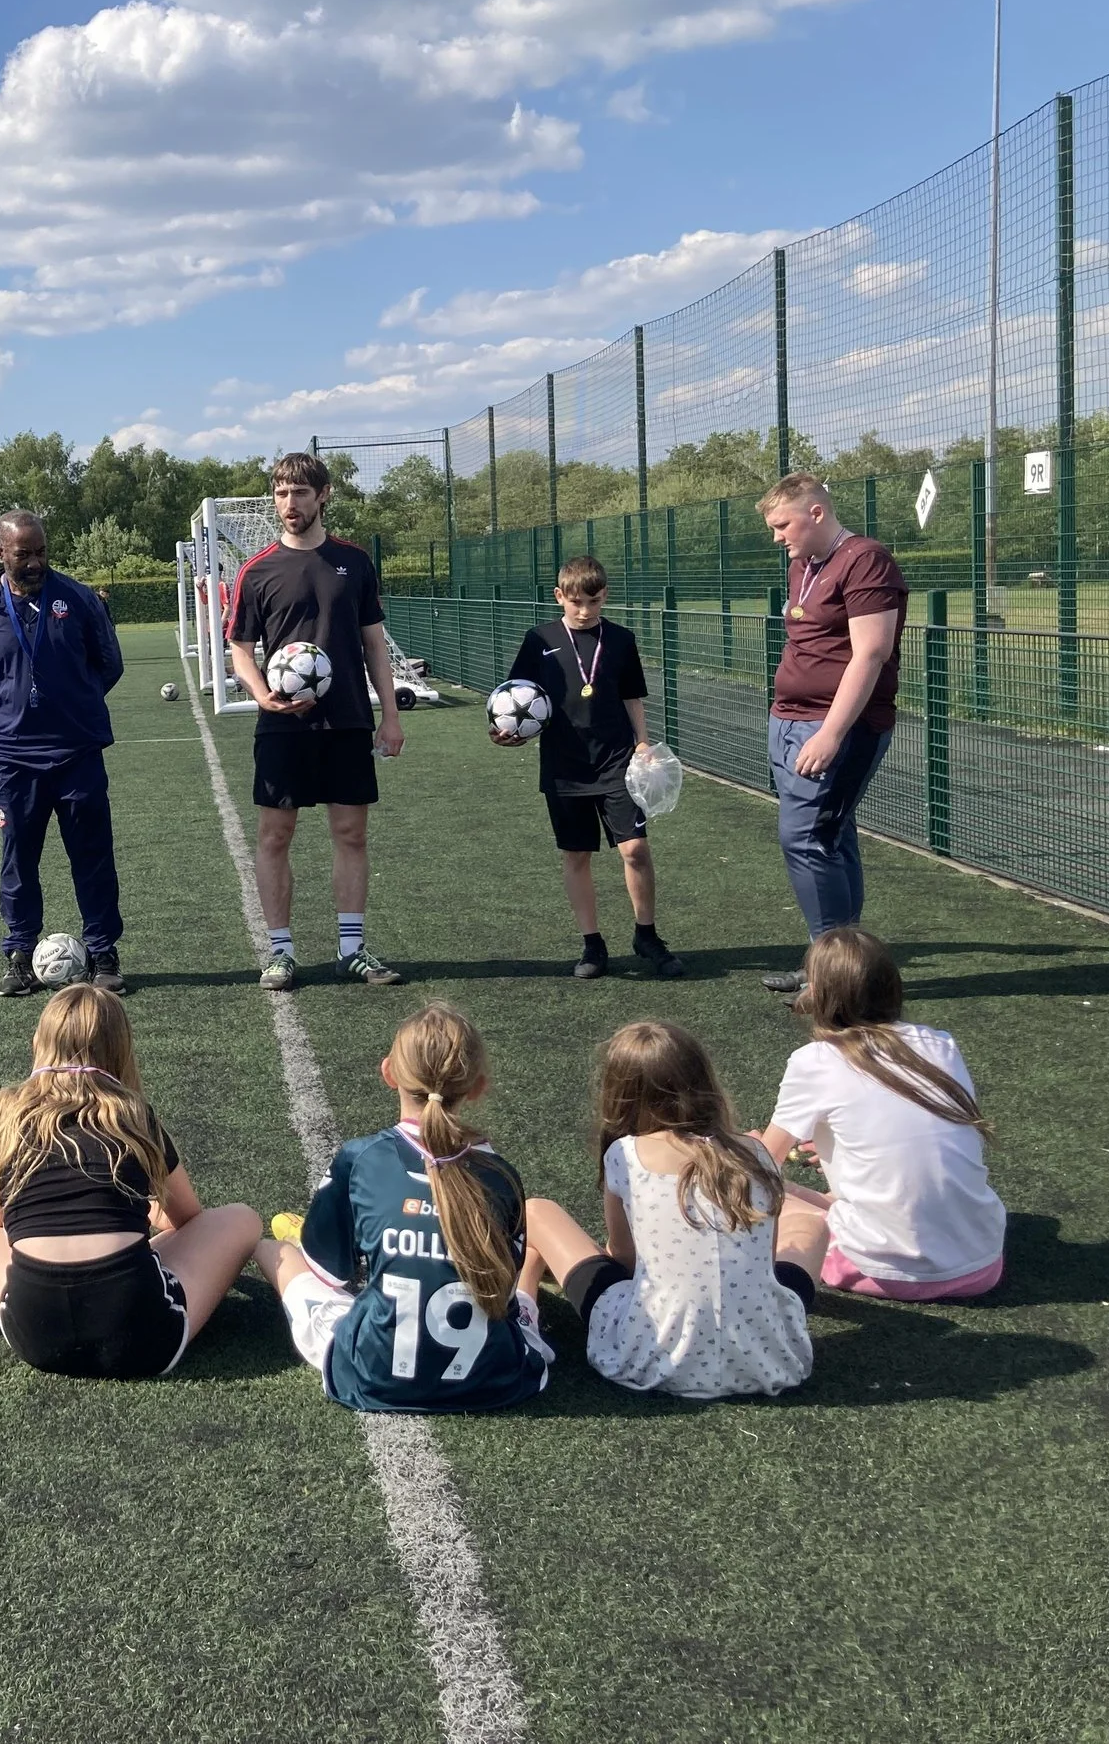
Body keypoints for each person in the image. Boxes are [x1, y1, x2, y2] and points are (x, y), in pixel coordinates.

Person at [256, 1002, 551, 1411]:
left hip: (373, 1375)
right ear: (478, 1087)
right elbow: (501, 1286)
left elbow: (331, 1274)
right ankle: (538, 1264)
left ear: (389, 1072)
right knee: (523, 1281)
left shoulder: (361, 1159)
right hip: (495, 1381)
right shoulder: (500, 1176)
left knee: (276, 1251)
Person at [0, 985, 259, 1379]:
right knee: (242, 1218)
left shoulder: (2, 1112)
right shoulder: (133, 1114)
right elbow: (189, 1217)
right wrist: (147, 1217)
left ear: (38, 1042)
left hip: (35, 1338)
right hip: (142, 1340)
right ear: (120, 1050)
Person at [519, 1022, 814, 1399]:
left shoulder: (625, 1154)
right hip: (766, 1360)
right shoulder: (755, 1153)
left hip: (651, 1356)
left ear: (620, 1095)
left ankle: (523, 1306)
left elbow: (624, 1258)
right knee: (810, 1227)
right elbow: (766, 1264)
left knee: (537, 1211)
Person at [226, 453, 405, 989]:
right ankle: (280, 953)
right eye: (281, 494)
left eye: (300, 493)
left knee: (351, 833)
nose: (289, 504)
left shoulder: (354, 562)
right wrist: (264, 696)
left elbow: (374, 643)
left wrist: (389, 715)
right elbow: (240, 647)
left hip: (348, 720)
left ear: (323, 495)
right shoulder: (256, 571)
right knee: (275, 835)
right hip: (283, 727)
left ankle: (351, 949)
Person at [759, 927, 1005, 1300]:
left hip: (883, 1270)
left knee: (758, 1180)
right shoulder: (941, 1044)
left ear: (818, 993)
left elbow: (762, 1164)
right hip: (983, 1262)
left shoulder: (816, 1061)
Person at [0, 510, 127, 996]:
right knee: (18, 859)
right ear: (0, 554)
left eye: (40, 552)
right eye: (22, 554)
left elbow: (109, 664)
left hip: (77, 752)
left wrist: (73, 705)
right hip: (12, 759)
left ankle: (103, 951)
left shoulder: (77, 599)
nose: (34, 562)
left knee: (92, 856)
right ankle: (17, 954)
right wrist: (17, 707)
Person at [497, 556, 682, 980]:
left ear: (605, 596)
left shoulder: (620, 639)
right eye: (576, 601)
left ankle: (647, 935)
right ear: (559, 596)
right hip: (564, 767)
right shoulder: (538, 639)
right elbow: (515, 699)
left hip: (617, 760)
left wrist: (642, 744)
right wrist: (506, 734)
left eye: (594, 602)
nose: (585, 611)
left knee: (635, 849)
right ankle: (592, 944)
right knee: (576, 853)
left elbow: (633, 697)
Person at [759, 472, 907, 992]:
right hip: (790, 717)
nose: (777, 536)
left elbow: (871, 652)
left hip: (836, 725)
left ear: (816, 513)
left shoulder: (865, 559)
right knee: (831, 834)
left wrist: (832, 734)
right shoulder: (804, 564)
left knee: (805, 837)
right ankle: (843, 969)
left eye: (783, 524)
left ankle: (833, 978)